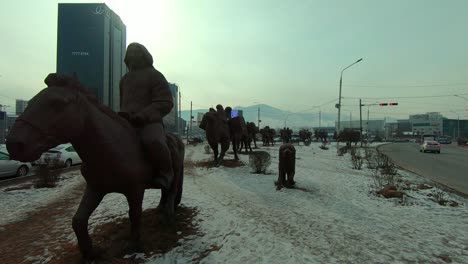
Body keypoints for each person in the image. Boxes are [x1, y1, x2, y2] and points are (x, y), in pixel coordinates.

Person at [119, 42, 174, 188]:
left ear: (144, 56)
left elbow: (165, 102)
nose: (133, 55)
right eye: (130, 53)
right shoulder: (124, 80)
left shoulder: (155, 75)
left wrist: (144, 114)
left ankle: (166, 173)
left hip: (149, 123)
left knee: (153, 140)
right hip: (126, 122)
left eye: (136, 52)